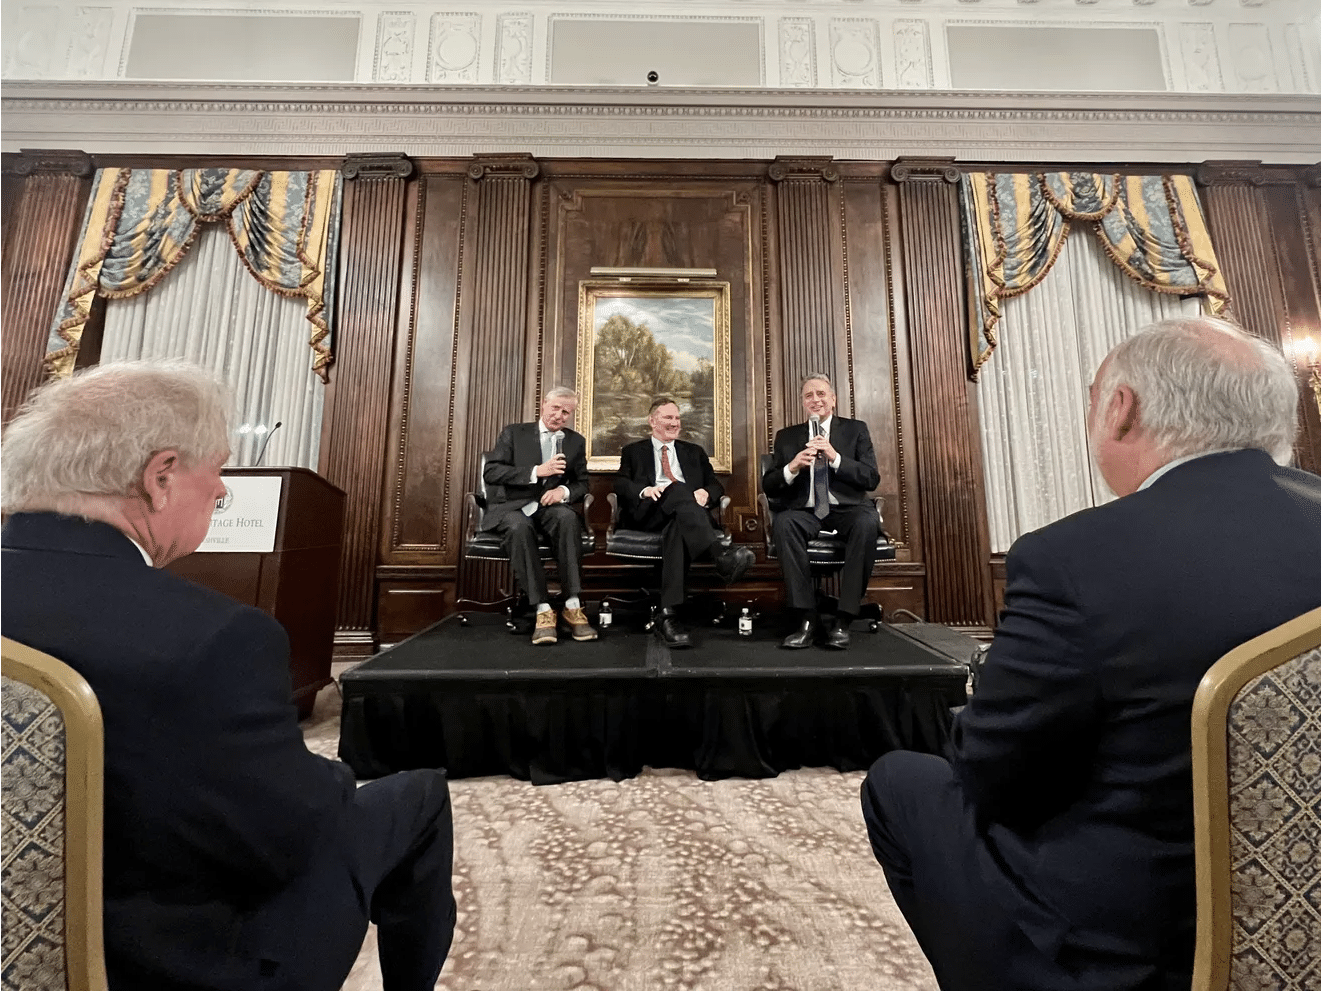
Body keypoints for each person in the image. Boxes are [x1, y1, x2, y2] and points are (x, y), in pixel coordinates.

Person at [859, 316, 1320, 990]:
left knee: (901, 782)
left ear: (1123, 411)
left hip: (1136, 945)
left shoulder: (1075, 558)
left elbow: (991, 776)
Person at [0, 360, 456, 991]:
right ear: (161, 477)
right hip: (173, 964)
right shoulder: (213, 638)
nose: (220, 491)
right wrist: (326, 777)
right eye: (216, 470)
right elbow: (288, 837)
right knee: (419, 795)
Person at [615, 397, 755, 648]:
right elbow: (621, 484)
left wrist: (706, 494)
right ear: (652, 421)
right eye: (668, 417)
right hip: (649, 514)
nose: (674, 423)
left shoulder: (694, 452)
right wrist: (644, 491)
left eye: (677, 418)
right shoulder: (634, 451)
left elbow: (715, 485)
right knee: (677, 488)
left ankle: (668, 616)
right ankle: (719, 555)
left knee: (677, 527)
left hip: (686, 517)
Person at [762, 373, 882, 649]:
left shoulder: (856, 430)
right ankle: (806, 618)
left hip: (846, 509)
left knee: (866, 522)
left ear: (833, 400)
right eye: (809, 396)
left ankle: (844, 619)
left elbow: (871, 478)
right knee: (784, 524)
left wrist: (834, 457)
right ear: (803, 403)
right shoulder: (787, 436)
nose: (815, 400)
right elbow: (769, 485)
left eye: (821, 394)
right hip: (805, 510)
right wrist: (792, 467)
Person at [483, 386, 595, 645]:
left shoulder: (575, 441)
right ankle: (543, 609)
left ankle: (572, 604)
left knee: (567, 518)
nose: (560, 415)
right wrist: (536, 471)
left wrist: (563, 491)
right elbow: (492, 472)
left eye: (566, 412)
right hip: (513, 506)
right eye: (555, 408)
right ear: (544, 405)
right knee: (518, 528)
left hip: (549, 506)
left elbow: (582, 483)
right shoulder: (514, 433)